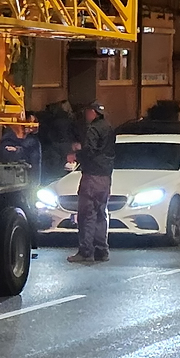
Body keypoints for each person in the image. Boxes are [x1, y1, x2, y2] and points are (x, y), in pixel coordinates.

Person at [70, 100, 116, 264]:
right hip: (105, 177)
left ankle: (86, 251)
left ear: (93, 112)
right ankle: (101, 250)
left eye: (87, 112)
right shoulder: (109, 127)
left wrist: (77, 154)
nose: (86, 115)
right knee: (101, 213)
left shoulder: (94, 128)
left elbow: (90, 150)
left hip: (92, 176)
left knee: (86, 214)